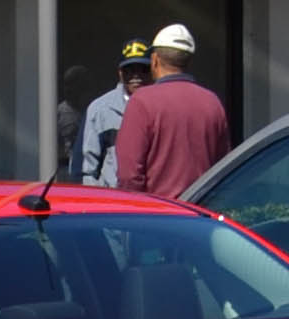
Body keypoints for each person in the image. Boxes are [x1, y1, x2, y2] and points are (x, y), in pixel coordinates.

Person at [111, 22, 234, 196]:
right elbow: (223, 168)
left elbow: (129, 175)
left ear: (154, 60)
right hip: (201, 214)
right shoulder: (212, 102)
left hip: (158, 216)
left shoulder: (142, 101)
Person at [74, 40, 150, 185]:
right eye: (129, 70)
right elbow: (84, 169)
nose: (136, 76)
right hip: (113, 201)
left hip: (153, 202)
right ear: (120, 73)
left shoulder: (160, 108)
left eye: (142, 69)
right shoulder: (100, 109)